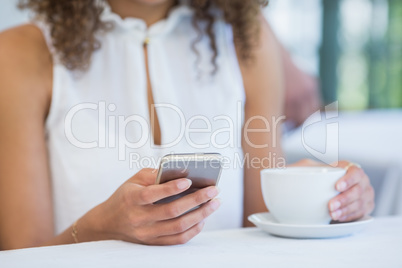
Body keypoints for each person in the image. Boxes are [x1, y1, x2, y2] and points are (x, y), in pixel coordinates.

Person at [0, 0, 374, 250]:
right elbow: (22, 255)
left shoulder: (247, 39)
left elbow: (264, 223)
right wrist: (101, 228)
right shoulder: (19, 54)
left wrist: (329, 197)